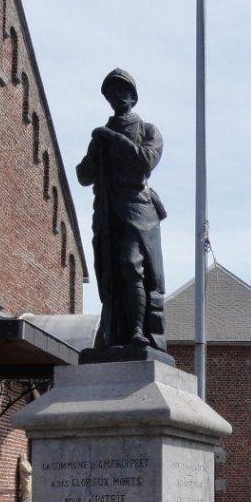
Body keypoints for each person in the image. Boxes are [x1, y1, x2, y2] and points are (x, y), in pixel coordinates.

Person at [76, 69, 167, 355]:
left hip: (137, 209)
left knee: (131, 264)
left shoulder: (148, 130)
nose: (116, 96)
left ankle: (139, 331)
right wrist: (95, 151)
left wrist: (113, 140)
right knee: (110, 273)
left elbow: (145, 161)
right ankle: (112, 333)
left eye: (120, 90)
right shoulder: (103, 136)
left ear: (132, 96)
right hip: (106, 211)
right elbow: (83, 175)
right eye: (110, 93)